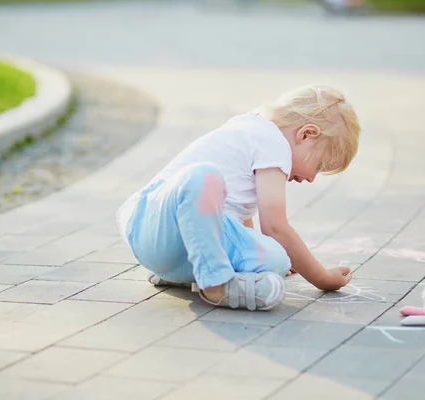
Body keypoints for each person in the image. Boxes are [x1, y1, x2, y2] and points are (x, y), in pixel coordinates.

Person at [116, 84, 362, 311]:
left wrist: (284, 257)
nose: (311, 178)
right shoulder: (272, 142)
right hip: (159, 222)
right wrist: (321, 277)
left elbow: (239, 218)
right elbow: (275, 227)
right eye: (319, 165)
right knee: (203, 179)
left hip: (156, 240)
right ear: (307, 134)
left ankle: (182, 274)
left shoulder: (249, 126)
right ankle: (216, 285)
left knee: (276, 258)